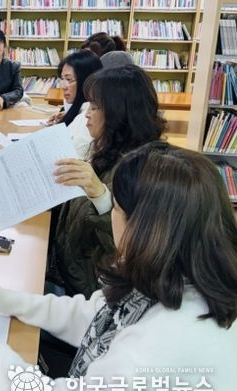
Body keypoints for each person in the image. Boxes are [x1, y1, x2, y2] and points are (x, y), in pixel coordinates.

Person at [0, 142, 237, 391]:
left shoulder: (159, 343)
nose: (111, 215)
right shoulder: (175, 277)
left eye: (116, 208)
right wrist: (5, 300)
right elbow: (93, 316)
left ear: (143, 229)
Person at [51, 65, 166, 297]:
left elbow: (130, 250)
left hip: (94, 292)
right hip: (68, 271)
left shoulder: (146, 171)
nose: (86, 114)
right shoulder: (105, 148)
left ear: (118, 113)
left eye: (95, 107)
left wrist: (101, 196)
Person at [45, 50, 102, 159]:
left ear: (86, 80)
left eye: (69, 79)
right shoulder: (81, 110)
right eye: (62, 79)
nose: (63, 86)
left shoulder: (87, 119)